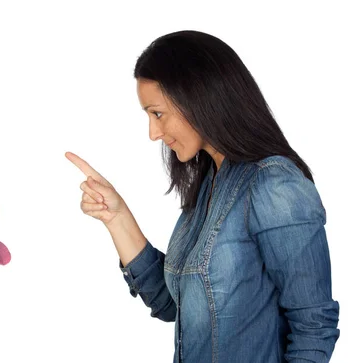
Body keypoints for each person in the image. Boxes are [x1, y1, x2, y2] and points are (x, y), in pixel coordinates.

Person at [65, 30, 339, 363]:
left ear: (199, 98)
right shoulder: (210, 184)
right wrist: (117, 216)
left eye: (158, 113)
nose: (153, 133)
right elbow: (172, 304)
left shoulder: (274, 185)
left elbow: (314, 326)